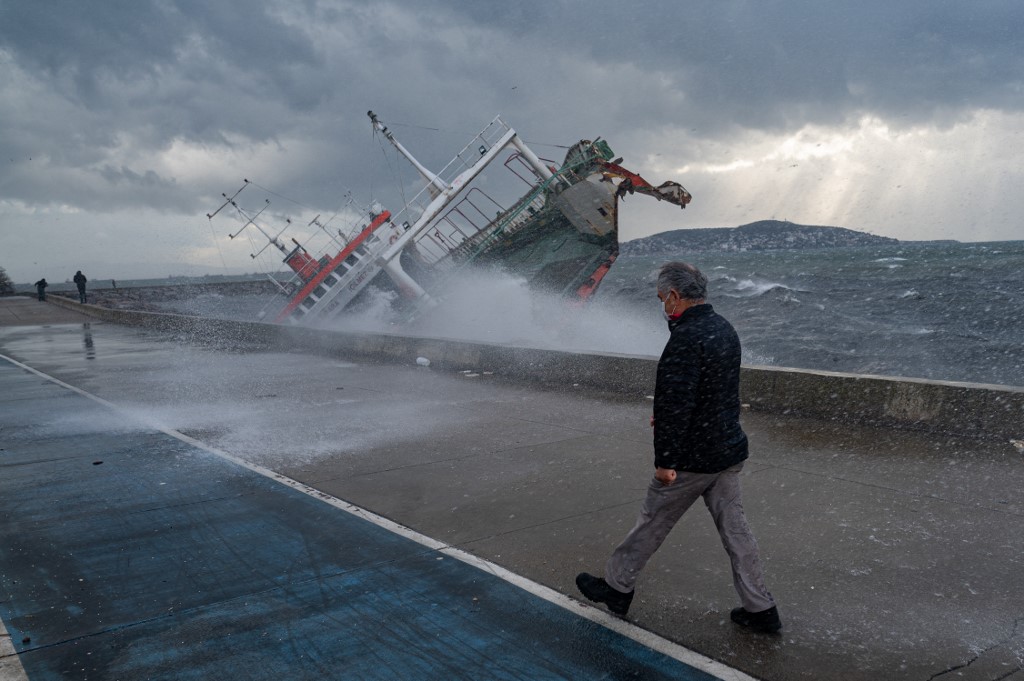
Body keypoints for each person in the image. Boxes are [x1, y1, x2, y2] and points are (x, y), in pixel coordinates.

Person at [576, 261, 781, 633]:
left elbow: (674, 404)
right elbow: (719, 393)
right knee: (737, 533)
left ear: (674, 296)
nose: (662, 307)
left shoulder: (685, 338)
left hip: (693, 457)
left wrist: (665, 461)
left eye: (661, 299)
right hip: (727, 450)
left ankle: (617, 588)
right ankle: (761, 608)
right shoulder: (723, 328)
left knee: (651, 522)